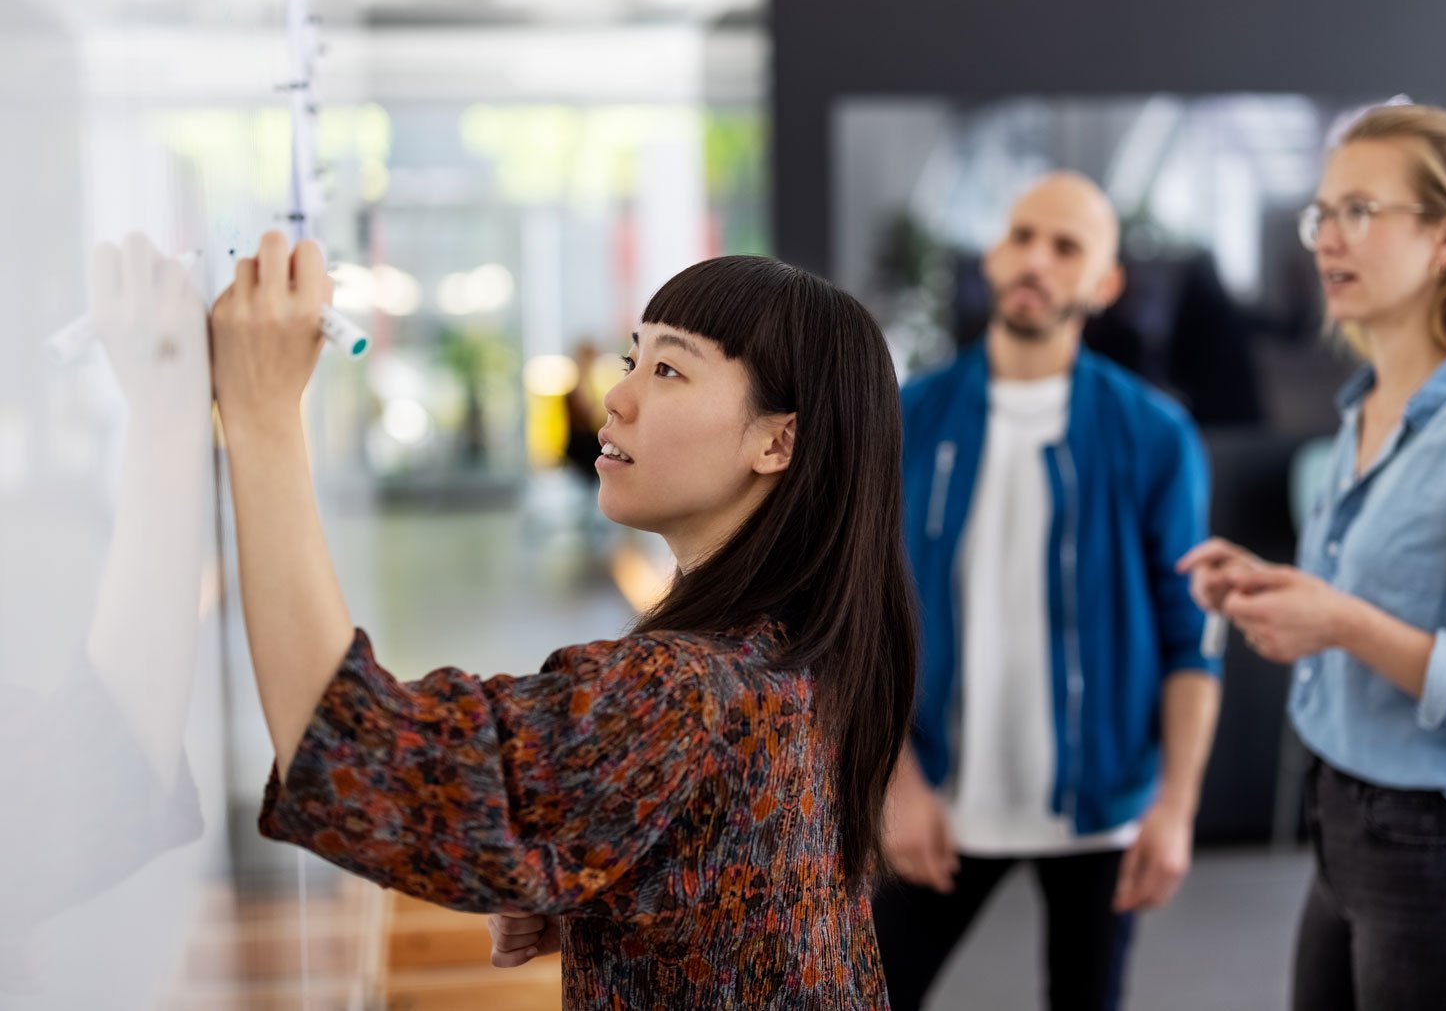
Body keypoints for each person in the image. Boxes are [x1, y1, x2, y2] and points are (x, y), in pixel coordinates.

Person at [207, 245, 918, 1009]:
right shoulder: (803, 646)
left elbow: (350, 746)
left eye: (669, 370)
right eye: (631, 359)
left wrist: (262, 417)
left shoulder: (681, 691)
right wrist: (616, 876)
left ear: (777, 442)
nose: (616, 396)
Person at [1180, 104, 1446, 1011]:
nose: (1328, 238)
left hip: (1444, 852)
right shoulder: (1362, 411)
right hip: (1344, 825)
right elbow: (1373, 608)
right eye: (1321, 214)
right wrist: (1282, 592)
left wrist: (1345, 623)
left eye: (1361, 211)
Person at [875, 172, 1223, 1010]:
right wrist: (896, 780)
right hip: (939, 799)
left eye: (1066, 247)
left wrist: (1174, 808)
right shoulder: (907, 418)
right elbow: (862, 622)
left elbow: (1192, 636)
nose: (1037, 258)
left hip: (1101, 807)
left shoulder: (1154, 435)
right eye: (1023, 236)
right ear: (994, 255)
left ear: (1104, 284)